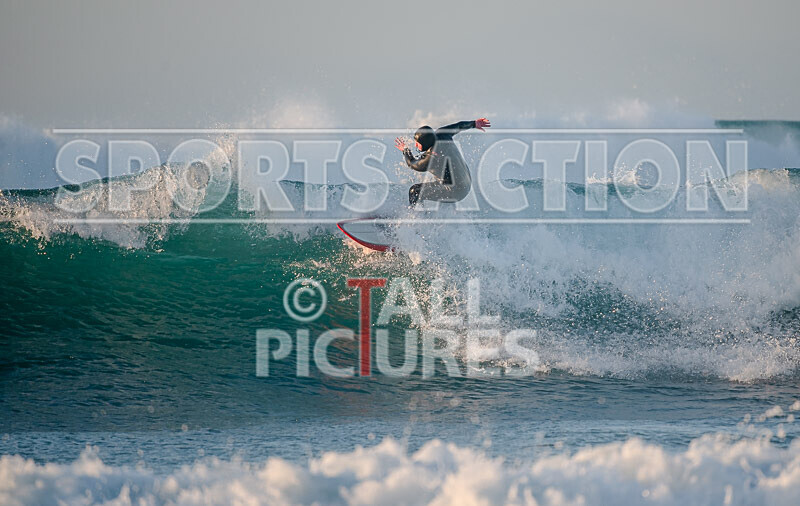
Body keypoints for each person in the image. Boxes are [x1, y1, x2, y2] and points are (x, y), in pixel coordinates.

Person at [395, 118, 491, 206]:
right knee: (437, 181)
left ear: (425, 143)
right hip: (467, 181)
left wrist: (405, 150)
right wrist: (474, 123)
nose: (416, 145)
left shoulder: (430, 158)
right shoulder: (442, 134)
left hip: (456, 191)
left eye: (418, 143)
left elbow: (412, 164)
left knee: (415, 191)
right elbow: (459, 126)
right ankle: (439, 213)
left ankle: (414, 218)